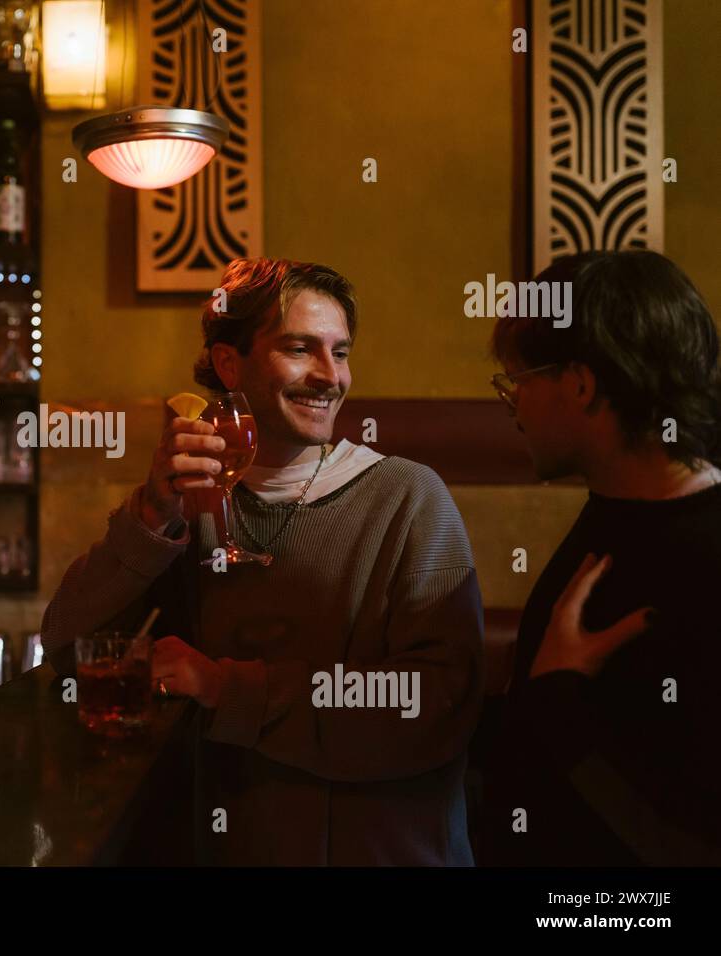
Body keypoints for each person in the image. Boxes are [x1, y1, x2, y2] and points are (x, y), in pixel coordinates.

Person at [41, 257, 485, 865]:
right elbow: (68, 652)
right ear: (230, 364)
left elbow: (436, 704)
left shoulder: (409, 497)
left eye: (341, 353)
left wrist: (229, 689)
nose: (329, 376)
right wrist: (150, 516)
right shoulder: (191, 506)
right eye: (300, 349)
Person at [482, 250, 721, 865]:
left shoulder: (703, 555)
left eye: (519, 380)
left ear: (580, 385)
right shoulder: (617, 501)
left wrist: (557, 701)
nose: (512, 405)